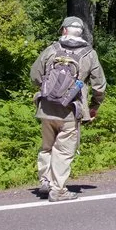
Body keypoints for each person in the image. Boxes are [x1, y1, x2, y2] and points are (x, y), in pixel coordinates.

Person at [29, 15, 107, 202]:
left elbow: (34, 76)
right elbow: (99, 86)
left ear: (64, 30)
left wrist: (49, 90)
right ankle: (58, 189)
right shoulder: (89, 54)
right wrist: (95, 106)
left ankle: (46, 180)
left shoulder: (51, 50)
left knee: (47, 146)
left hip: (46, 108)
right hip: (71, 110)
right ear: (81, 33)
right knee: (64, 150)